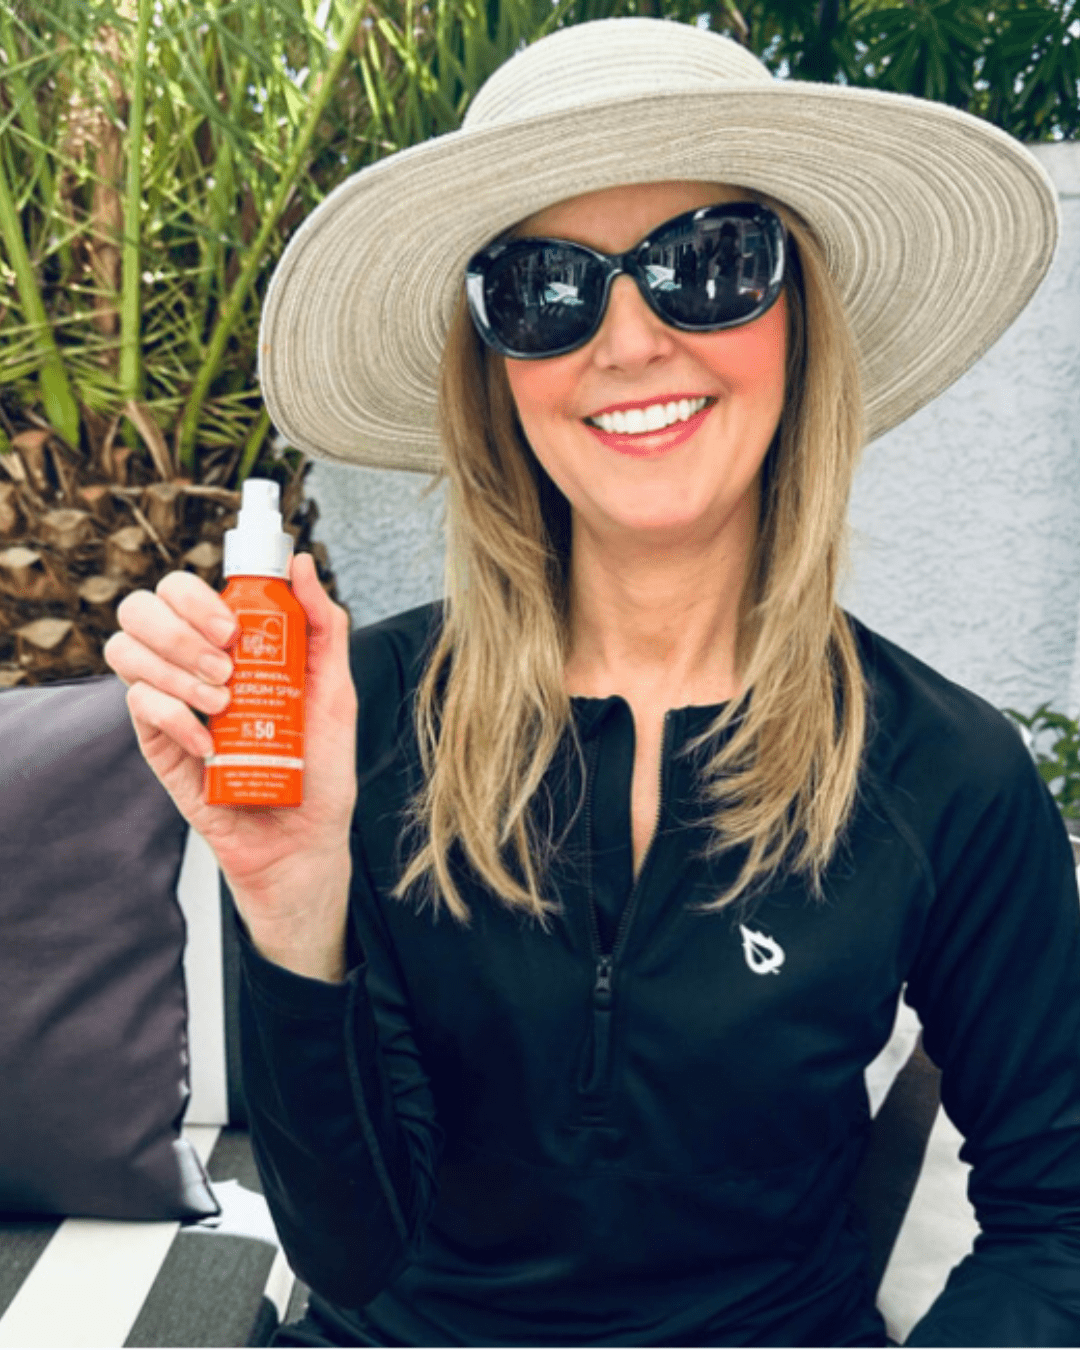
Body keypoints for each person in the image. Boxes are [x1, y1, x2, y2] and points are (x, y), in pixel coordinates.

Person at [103, 17, 1080, 1348]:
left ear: (800, 321)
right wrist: (290, 895)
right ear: (498, 372)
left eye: (709, 264)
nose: (627, 341)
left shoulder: (945, 771)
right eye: (548, 290)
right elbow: (345, 1250)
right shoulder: (350, 724)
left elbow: (1057, 1216)